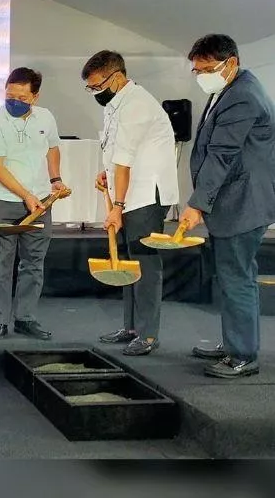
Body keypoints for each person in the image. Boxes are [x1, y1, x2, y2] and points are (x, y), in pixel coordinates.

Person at [180, 34, 275, 378]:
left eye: (206, 69)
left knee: (237, 279)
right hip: (236, 200)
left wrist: (197, 205)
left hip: (242, 204)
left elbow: (222, 154)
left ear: (230, 63)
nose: (201, 75)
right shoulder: (231, 88)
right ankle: (235, 341)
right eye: (197, 70)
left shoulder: (243, 98)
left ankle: (243, 355)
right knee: (235, 276)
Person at [82, 50, 178, 356]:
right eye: (91, 88)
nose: (95, 92)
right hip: (129, 192)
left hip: (146, 196)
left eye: (97, 86)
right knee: (126, 261)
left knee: (145, 263)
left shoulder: (136, 105)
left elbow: (125, 163)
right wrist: (106, 174)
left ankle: (148, 334)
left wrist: (117, 207)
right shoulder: (116, 103)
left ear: (117, 77)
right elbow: (118, 154)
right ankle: (132, 326)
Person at [0, 67, 65, 341]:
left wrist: (55, 179)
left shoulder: (46, 117)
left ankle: (25, 318)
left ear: (35, 97)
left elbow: (52, 148)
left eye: (21, 96)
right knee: (0, 263)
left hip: (41, 202)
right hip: (5, 202)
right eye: (9, 95)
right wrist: (25, 195)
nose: (13, 101)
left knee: (33, 262)